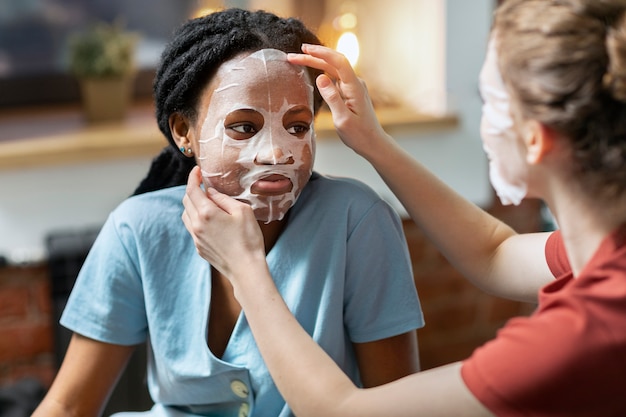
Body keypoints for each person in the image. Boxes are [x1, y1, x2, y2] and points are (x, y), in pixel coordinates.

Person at [181, 0, 626, 415]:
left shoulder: (577, 336)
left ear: (536, 139)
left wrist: (245, 268)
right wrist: (374, 142)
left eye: (488, 103)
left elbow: (341, 410)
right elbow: (495, 253)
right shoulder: (607, 250)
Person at [32, 8, 424, 417]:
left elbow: (393, 407)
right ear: (184, 132)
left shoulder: (357, 222)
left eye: (297, 126)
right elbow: (69, 405)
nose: (277, 152)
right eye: (243, 127)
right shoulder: (137, 229)